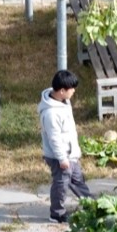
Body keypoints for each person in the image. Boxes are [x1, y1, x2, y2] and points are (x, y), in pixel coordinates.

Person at [39, 70, 92, 223]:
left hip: (71, 154)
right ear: (62, 91)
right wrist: (62, 159)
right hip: (59, 157)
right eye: (72, 89)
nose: (74, 91)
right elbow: (54, 138)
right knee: (61, 184)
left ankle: (91, 204)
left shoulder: (64, 102)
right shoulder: (51, 114)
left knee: (78, 180)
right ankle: (57, 213)